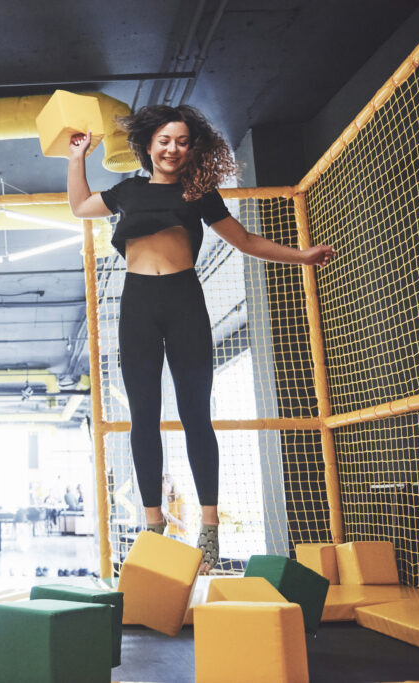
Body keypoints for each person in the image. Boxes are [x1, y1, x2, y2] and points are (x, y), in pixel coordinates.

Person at [67, 104, 334, 572]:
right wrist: (76, 158)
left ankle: (208, 530)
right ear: (149, 145)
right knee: (143, 419)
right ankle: (153, 525)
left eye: (183, 142)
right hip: (138, 305)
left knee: (196, 415)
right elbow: (80, 207)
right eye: (165, 141)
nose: (173, 149)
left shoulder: (198, 192)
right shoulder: (128, 189)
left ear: (192, 149)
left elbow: (246, 241)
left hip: (184, 300)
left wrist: (302, 256)